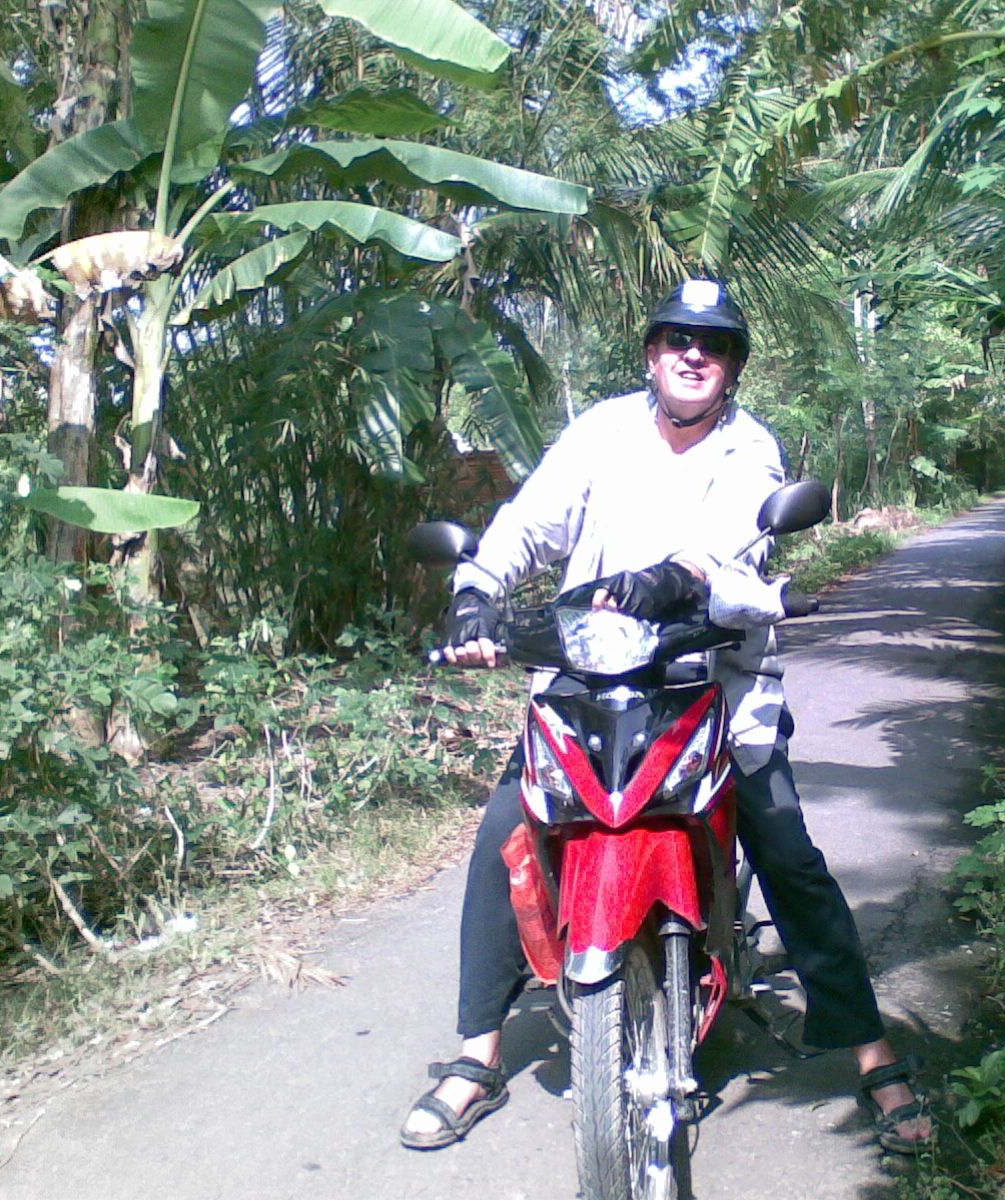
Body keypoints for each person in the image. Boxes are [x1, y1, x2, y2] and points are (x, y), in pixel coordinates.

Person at [399, 279, 933, 1154]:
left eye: (714, 344)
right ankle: (476, 1057)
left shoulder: (747, 447)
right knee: (506, 832)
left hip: (714, 682)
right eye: (677, 338)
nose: (694, 354)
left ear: (731, 368)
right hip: (591, 676)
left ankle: (872, 1051)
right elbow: (530, 521)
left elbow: (732, 541)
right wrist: (475, 595)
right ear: (650, 353)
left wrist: (675, 577)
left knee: (786, 850)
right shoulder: (602, 432)